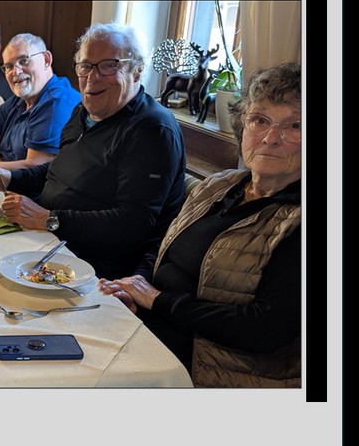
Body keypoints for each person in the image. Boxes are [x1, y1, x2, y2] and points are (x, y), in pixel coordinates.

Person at [99, 62, 301, 387]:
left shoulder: (298, 221)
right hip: (150, 338)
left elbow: (264, 330)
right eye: (260, 120)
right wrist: (135, 288)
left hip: (218, 377)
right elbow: (163, 249)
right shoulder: (219, 185)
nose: (270, 138)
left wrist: (156, 300)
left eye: (294, 126)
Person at [0, 22, 186, 280]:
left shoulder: (152, 129)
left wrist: (49, 219)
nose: (92, 77)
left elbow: (131, 224)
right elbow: (57, 170)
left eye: (108, 65)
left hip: (92, 268)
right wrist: (10, 178)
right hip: (49, 243)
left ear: (137, 71)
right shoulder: (83, 113)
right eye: (86, 66)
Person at [0, 33, 80, 175]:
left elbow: (35, 169)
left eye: (24, 61)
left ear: (46, 60)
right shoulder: (19, 100)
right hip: (2, 181)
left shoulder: (56, 102)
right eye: (9, 66)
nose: (16, 72)